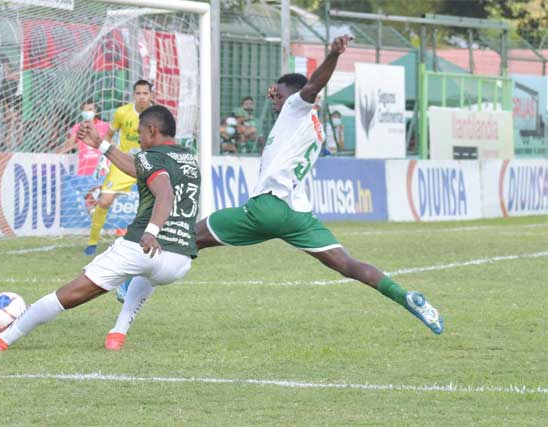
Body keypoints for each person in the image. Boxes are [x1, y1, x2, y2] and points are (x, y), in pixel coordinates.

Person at [107, 35, 443, 351]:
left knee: (185, 235)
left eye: (279, 96)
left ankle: (128, 282)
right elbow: (299, 99)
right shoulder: (313, 126)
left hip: (267, 207)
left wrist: (332, 55)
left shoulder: (298, 105)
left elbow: (311, 87)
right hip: (297, 215)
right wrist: (282, 98)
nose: (275, 99)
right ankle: (405, 296)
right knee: (347, 264)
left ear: (296, 97)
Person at [0, 105, 201, 353]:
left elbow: (165, 193)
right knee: (145, 274)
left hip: (143, 246)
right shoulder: (188, 158)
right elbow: (137, 167)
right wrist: (100, 144)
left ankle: (1, 340)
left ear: (151, 130)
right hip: (179, 261)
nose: (138, 138)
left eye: (140, 132)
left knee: (69, 293)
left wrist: (151, 231)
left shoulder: (151, 157)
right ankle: (117, 334)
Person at [84, 79, 153, 256]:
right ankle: (92, 242)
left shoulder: (157, 115)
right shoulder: (122, 112)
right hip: (123, 163)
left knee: (157, 203)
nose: (142, 97)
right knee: (104, 201)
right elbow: (108, 135)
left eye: (145, 93)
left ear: (151, 95)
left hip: (148, 165)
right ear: (134, 94)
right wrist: (103, 157)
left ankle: (157, 240)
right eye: (138, 93)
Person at [57, 100, 110, 177]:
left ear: (95, 111)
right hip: (83, 171)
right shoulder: (77, 127)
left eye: (90, 110)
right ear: (82, 113)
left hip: (101, 171)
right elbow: (68, 145)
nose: (87, 112)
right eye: (85, 110)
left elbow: (110, 145)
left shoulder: (105, 126)